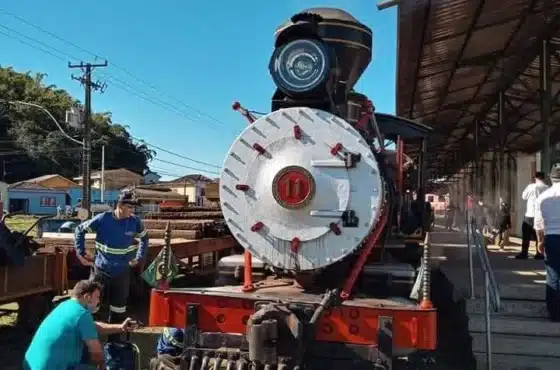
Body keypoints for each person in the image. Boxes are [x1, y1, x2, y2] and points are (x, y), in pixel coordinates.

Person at [74, 191, 149, 338]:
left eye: (134, 208)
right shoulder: (103, 219)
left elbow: (145, 238)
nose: (132, 211)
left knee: (119, 309)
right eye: (130, 207)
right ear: (120, 205)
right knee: (93, 308)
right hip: (100, 271)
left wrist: (139, 257)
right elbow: (79, 230)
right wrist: (80, 253)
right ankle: (88, 340)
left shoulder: (134, 222)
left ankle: (114, 343)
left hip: (121, 273)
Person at [23, 279, 138, 370]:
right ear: (87, 297)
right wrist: (103, 367)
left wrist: (120, 327)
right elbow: (96, 351)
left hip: (31, 364)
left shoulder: (65, 306)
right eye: (97, 297)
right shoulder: (82, 314)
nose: (98, 301)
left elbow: (92, 327)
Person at [534, 167, 560, 322]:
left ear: (551, 178)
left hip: (551, 238)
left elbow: (539, 224)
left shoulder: (543, 197)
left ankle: (554, 313)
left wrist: (540, 240)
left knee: (553, 276)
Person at [517, 171, 549, 259]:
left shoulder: (531, 187)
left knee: (526, 234)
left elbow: (524, 196)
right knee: (539, 234)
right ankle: (539, 253)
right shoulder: (547, 188)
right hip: (541, 214)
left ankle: (524, 253)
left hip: (530, 214)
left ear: (535, 178)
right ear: (544, 178)